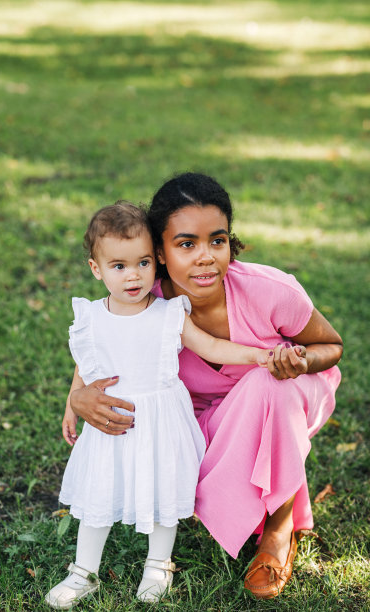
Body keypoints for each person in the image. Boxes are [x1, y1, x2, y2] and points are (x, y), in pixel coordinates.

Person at [69, 174, 343, 601]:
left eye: (217, 241)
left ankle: (279, 526)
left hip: (288, 398)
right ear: (158, 252)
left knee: (267, 382)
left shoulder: (269, 291)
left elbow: (331, 344)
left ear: (230, 241)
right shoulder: (147, 303)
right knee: (172, 440)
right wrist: (78, 395)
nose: (205, 258)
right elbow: (100, 350)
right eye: (185, 244)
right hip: (200, 415)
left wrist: (300, 360)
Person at [45, 201, 278, 609]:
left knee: (161, 490)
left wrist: (257, 355)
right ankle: (83, 571)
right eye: (118, 266)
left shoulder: (169, 314)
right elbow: (86, 366)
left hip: (160, 423)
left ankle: (158, 562)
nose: (132, 275)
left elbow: (211, 345)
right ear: (96, 269)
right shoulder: (91, 318)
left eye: (142, 263)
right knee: (99, 494)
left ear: (156, 262)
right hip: (111, 421)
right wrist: (71, 405)